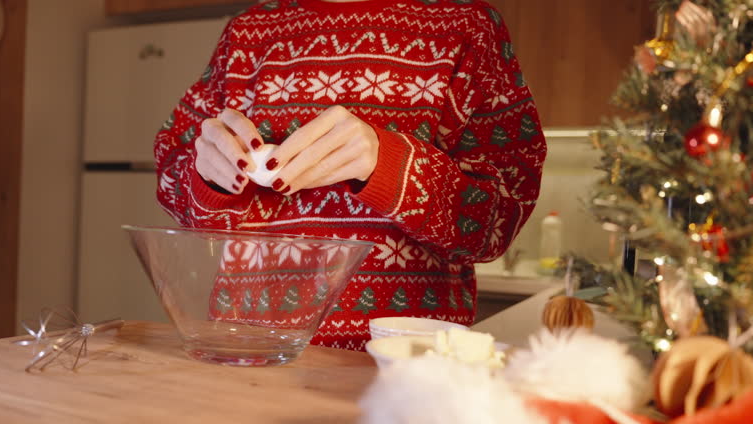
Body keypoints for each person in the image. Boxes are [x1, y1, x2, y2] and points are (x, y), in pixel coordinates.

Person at [154, 0, 547, 351]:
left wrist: (388, 164)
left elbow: (497, 222)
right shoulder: (246, 33)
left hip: (402, 366)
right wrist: (209, 179)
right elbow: (176, 187)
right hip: (247, 349)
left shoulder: (466, 27)